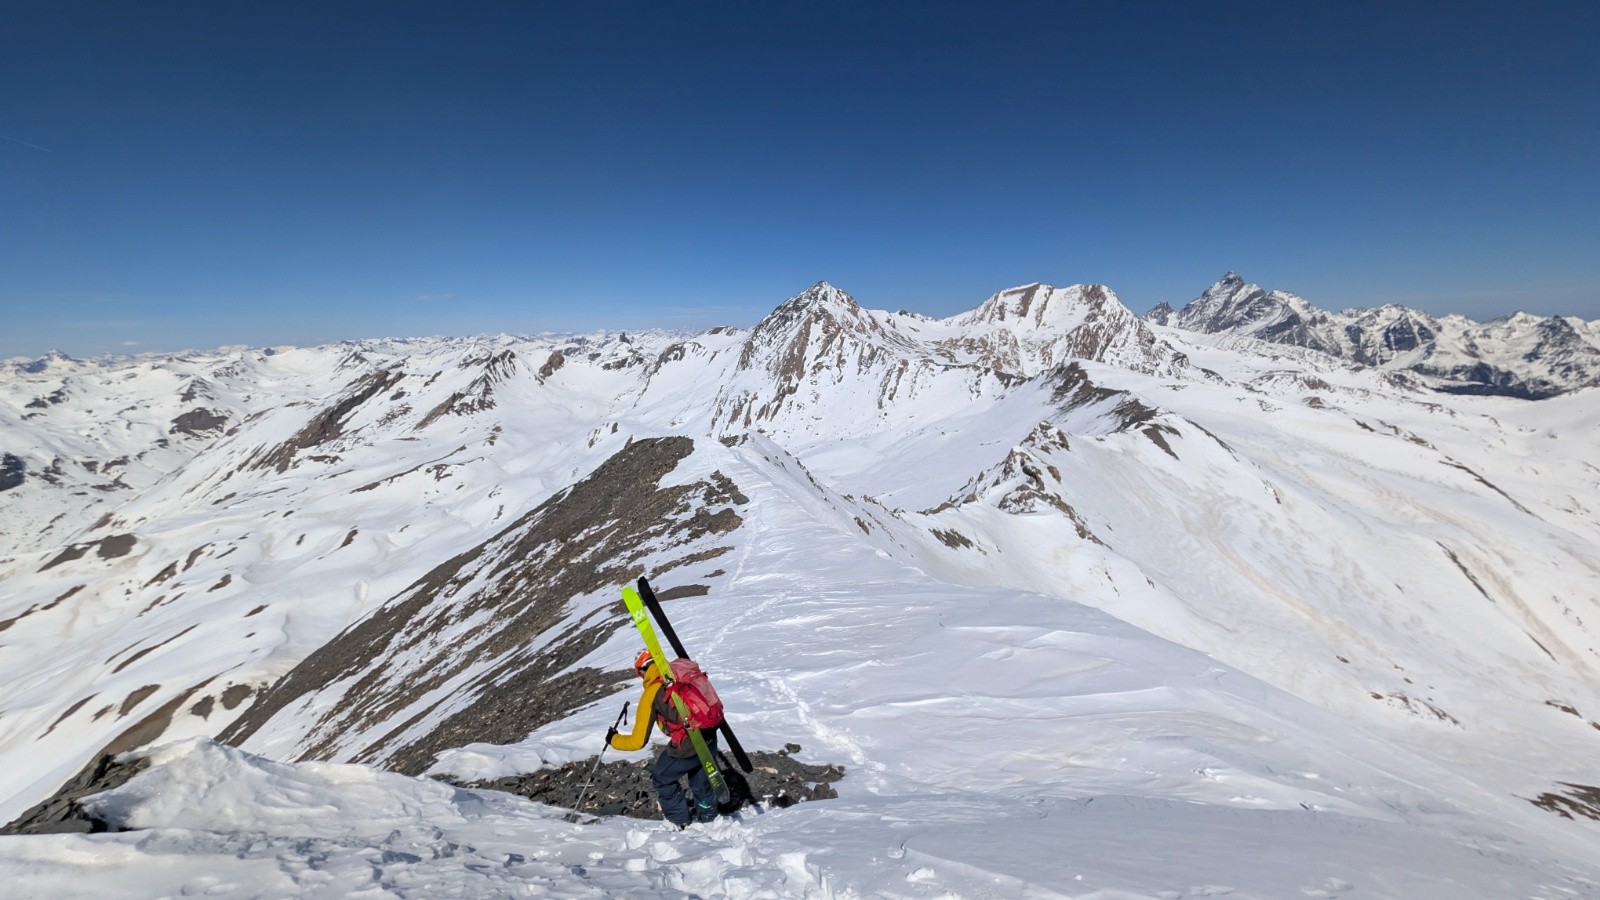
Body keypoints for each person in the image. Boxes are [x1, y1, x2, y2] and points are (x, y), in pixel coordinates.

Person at [607, 650, 721, 827]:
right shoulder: (680, 675)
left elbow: (638, 741)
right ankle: (710, 819)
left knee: (662, 777)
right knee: (699, 778)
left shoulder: (652, 692)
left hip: (687, 745)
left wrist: (613, 740)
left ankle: (678, 822)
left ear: (642, 670)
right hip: (709, 735)